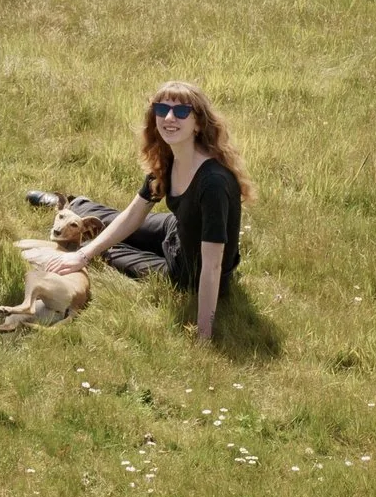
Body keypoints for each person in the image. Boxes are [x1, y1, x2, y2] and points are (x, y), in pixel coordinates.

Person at [43, 82, 252, 342]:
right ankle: (71, 205)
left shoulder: (212, 183)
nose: (169, 118)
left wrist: (204, 333)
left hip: (188, 271)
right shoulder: (170, 157)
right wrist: (84, 257)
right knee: (111, 220)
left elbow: (212, 265)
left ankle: (82, 236)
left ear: (198, 123)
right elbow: (134, 214)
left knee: (109, 252)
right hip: (176, 229)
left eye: (181, 112)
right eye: (162, 109)